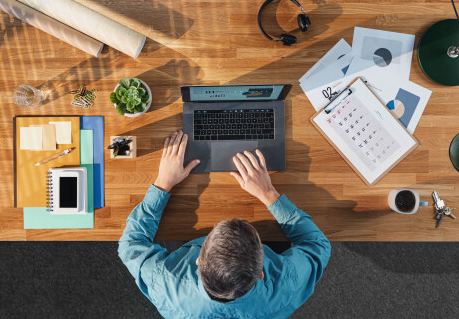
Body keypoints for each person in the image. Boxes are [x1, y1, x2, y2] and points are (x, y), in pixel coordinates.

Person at [118, 130, 331, 318]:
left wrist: (163, 183)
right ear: (261, 274)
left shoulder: (166, 284)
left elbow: (130, 243)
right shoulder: (286, 286)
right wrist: (269, 195)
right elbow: (318, 245)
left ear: (198, 261)